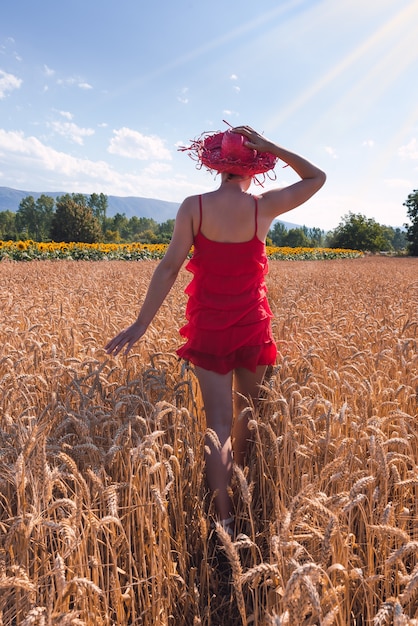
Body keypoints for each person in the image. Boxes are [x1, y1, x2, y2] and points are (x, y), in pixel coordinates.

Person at [105, 125, 326, 533]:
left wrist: (141, 323)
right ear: (255, 167)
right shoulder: (264, 207)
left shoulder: (195, 207)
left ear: (216, 166)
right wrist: (275, 146)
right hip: (252, 325)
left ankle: (223, 517)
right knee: (248, 415)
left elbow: (169, 266)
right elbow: (317, 178)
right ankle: (242, 493)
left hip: (208, 330)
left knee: (218, 424)